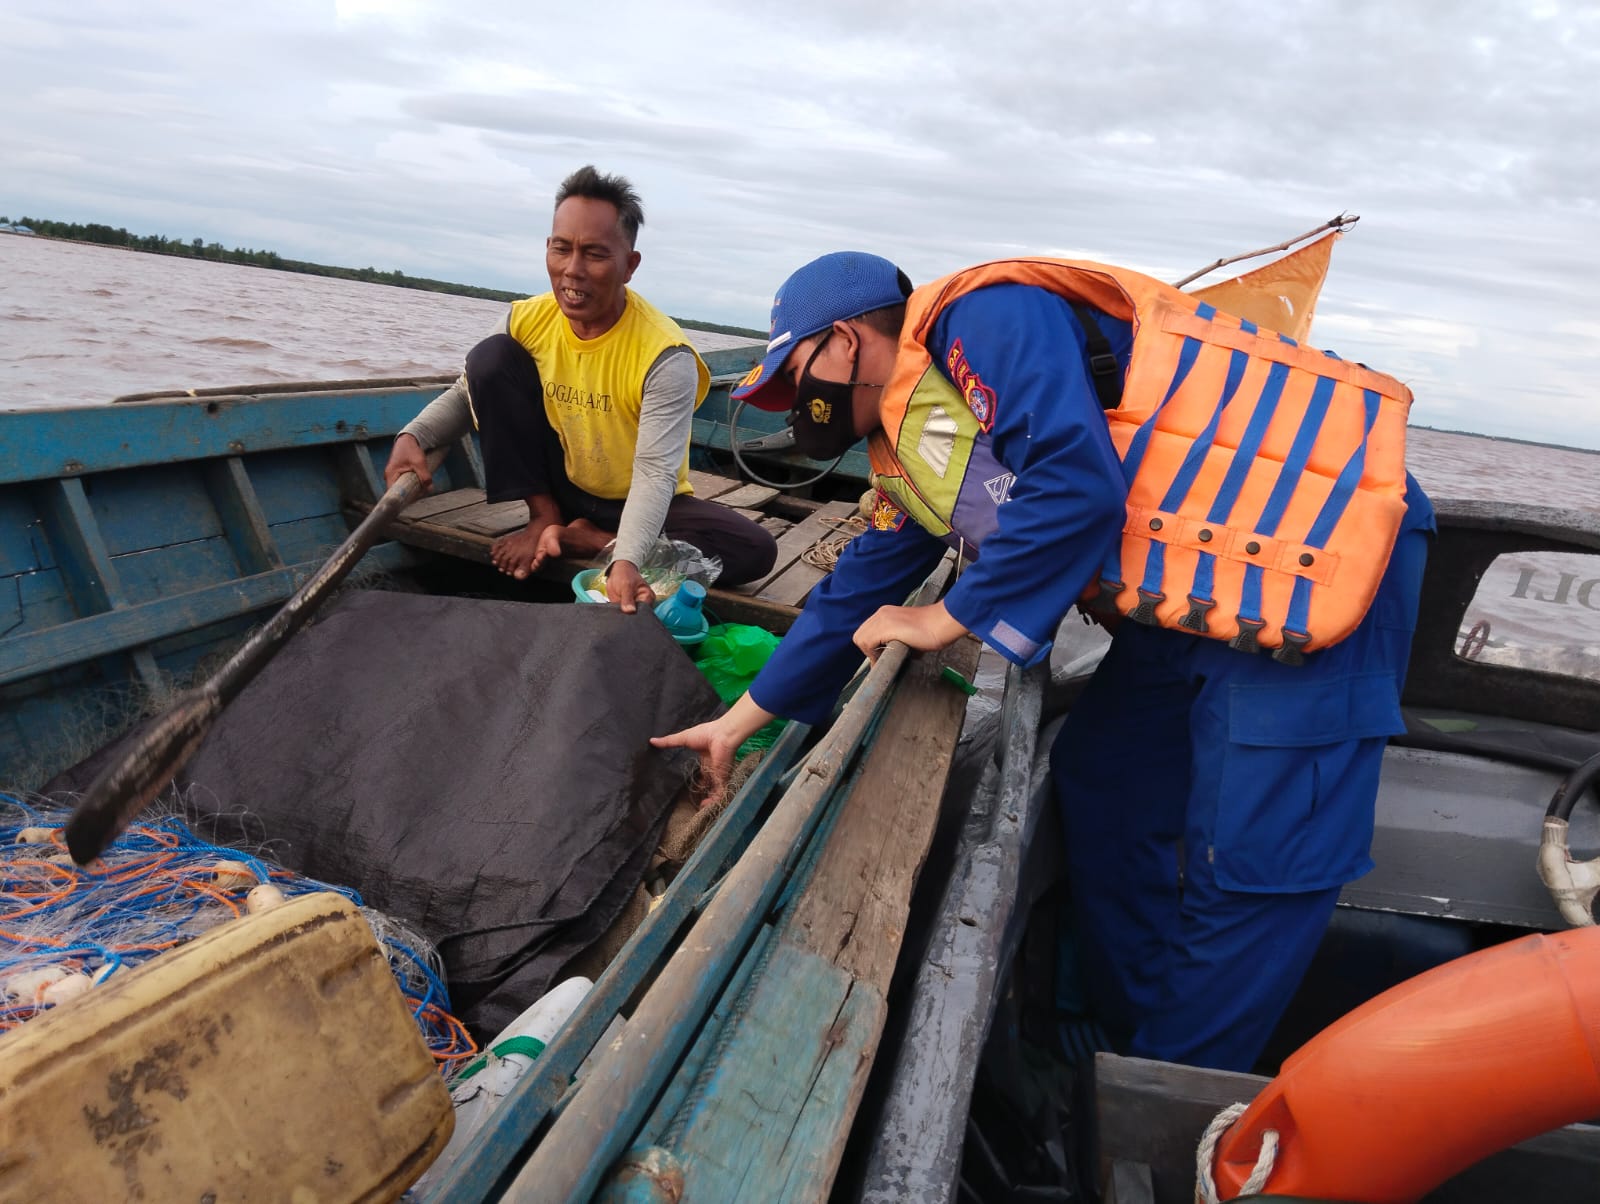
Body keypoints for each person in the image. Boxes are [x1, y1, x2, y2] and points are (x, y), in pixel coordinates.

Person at [652, 250, 1435, 1072]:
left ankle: (1168, 1102)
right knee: (1107, 776)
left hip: (1318, 547)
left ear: (845, 341)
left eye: (790, 376)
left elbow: (1076, 484)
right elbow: (856, 592)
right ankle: (1123, 1039)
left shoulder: (987, 319)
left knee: (1252, 862)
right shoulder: (909, 438)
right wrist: (735, 727)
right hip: (1199, 585)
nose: (787, 404)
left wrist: (947, 617)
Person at [384, 166, 776, 611]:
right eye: (561, 249)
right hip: (559, 481)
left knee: (754, 551)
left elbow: (654, 474)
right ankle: (543, 518)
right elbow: (466, 391)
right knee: (490, 358)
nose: (572, 270)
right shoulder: (527, 318)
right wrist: (413, 436)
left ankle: (592, 539)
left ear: (629, 266)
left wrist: (626, 558)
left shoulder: (666, 355)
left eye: (594, 254)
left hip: (634, 499)